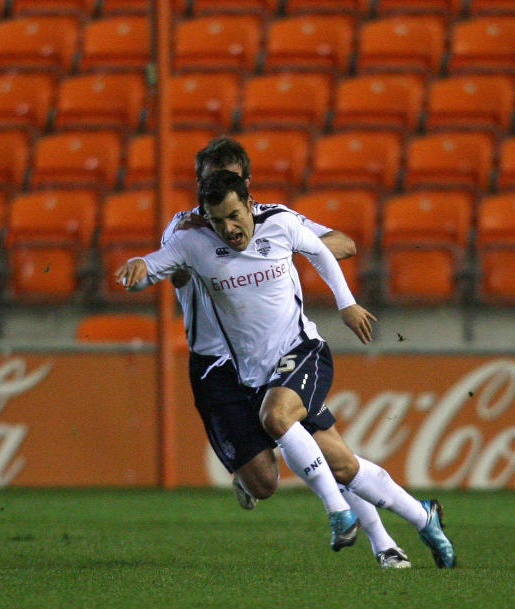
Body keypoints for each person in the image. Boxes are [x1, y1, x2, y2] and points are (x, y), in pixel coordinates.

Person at [117, 170, 456, 569]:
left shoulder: (278, 224)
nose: (229, 228)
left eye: (234, 215)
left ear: (248, 203)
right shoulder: (193, 243)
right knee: (342, 464)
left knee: (276, 416)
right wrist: (137, 269)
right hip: (252, 373)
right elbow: (153, 266)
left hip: (303, 352)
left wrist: (345, 304)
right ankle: (422, 516)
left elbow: (324, 250)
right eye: (218, 220)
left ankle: (341, 515)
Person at [161, 136, 410, 568]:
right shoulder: (183, 230)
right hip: (216, 364)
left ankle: (383, 541)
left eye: (229, 185)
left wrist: (277, 247)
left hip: (275, 353)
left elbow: (345, 244)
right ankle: (248, 472)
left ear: (247, 188)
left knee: (332, 455)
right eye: (207, 185)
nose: (217, 197)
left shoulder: (272, 222)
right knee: (264, 483)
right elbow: (175, 273)